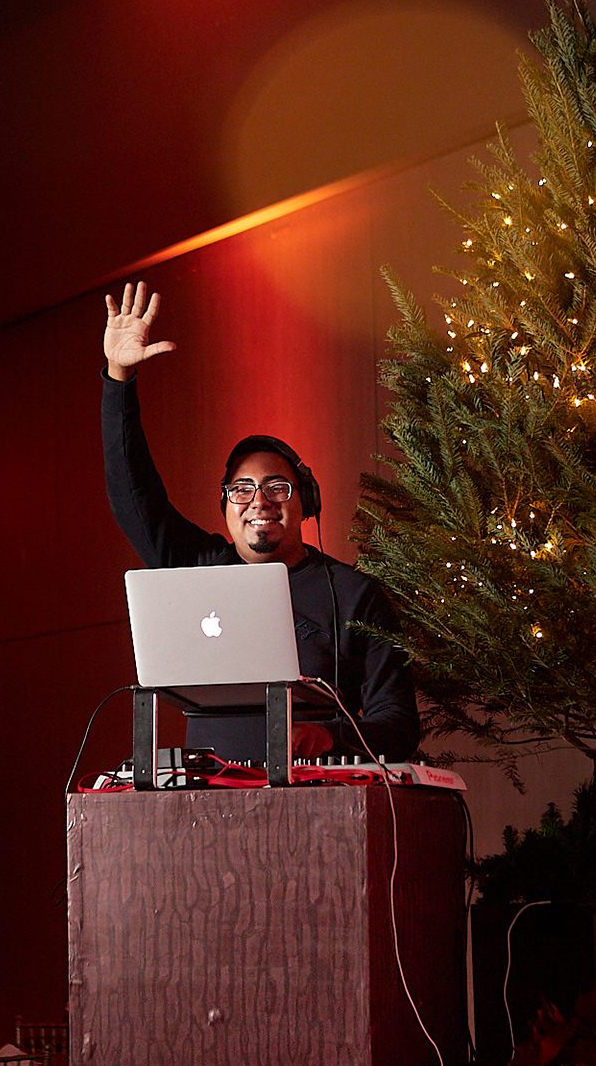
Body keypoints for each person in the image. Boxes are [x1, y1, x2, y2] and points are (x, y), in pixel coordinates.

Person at [101, 281, 421, 764]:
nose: (259, 502)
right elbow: (133, 495)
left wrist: (330, 736)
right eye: (242, 490)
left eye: (277, 487)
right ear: (226, 505)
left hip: (315, 797)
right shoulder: (199, 567)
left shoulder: (356, 596)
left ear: (305, 501)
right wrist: (119, 378)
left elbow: (398, 723)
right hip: (207, 798)